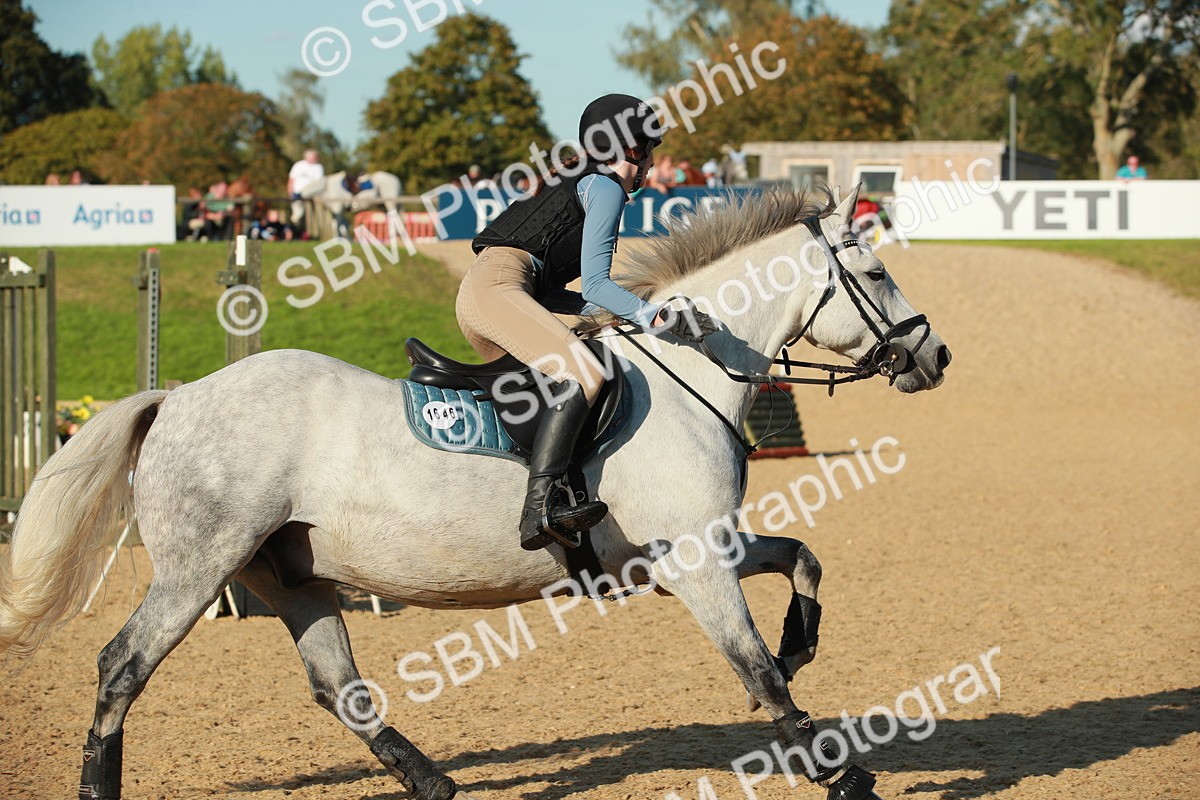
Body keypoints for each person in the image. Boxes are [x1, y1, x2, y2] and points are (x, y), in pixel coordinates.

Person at [461, 94, 718, 551]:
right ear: (631, 150)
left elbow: (569, 297)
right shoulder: (605, 188)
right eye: (649, 150)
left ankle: (558, 486)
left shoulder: (574, 178)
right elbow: (598, 285)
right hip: (499, 289)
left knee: (572, 368)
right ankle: (539, 509)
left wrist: (618, 315)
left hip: (496, 291)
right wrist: (655, 316)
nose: (651, 163)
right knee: (585, 371)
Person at [288, 149, 325, 223]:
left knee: (312, 217)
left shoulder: (318, 167)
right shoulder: (298, 165)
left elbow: (319, 183)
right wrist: (290, 192)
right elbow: (291, 179)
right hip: (297, 194)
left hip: (312, 196)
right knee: (298, 214)